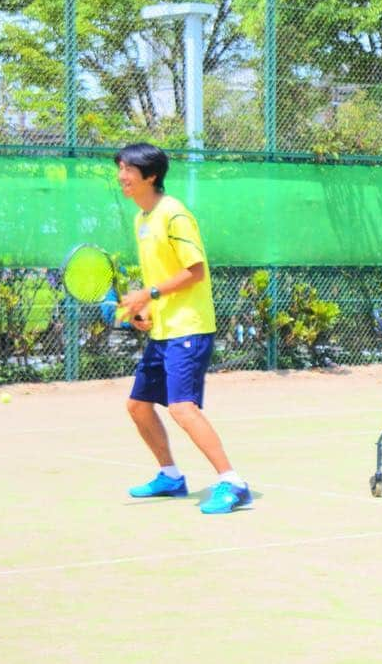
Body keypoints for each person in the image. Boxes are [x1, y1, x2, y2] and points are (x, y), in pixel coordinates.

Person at [116, 142, 252, 514]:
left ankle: (233, 482)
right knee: (138, 405)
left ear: (151, 176)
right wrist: (146, 309)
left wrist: (148, 292)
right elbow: (160, 277)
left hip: (189, 328)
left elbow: (196, 271)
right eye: (121, 169)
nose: (121, 176)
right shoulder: (141, 219)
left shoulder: (173, 215)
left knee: (181, 407)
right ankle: (170, 476)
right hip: (165, 328)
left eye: (128, 170)